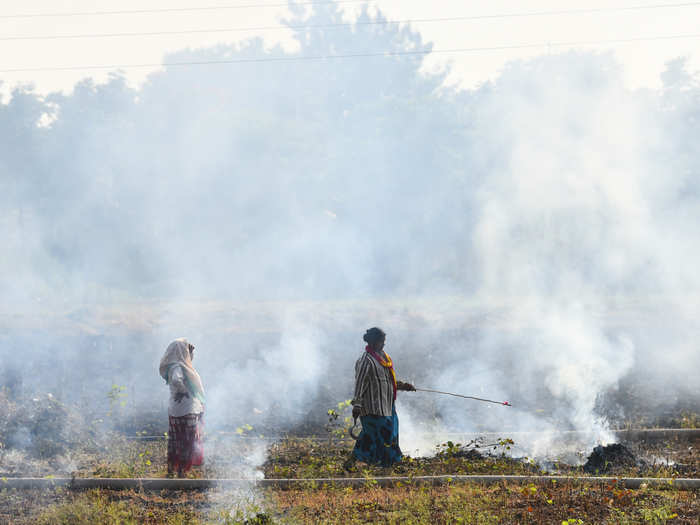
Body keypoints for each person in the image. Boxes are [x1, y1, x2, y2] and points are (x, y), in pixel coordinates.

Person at [347, 327, 415, 468]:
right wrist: (357, 405)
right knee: (380, 436)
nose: (383, 344)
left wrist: (403, 386)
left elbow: (388, 381)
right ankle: (387, 463)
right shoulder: (366, 360)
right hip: (373, 407)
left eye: (384, 341)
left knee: (383, 435)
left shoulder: (384, 357)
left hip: (387, 405)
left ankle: (362, 461)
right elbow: (360, 383)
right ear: (372, 342)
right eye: (381, 341)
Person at [159, 338, 205, 478]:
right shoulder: (178, 367)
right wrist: (184, 391)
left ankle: (173, 469)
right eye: (187, 351)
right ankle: (181, 471)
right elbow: (176, 380)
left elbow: (179, 376)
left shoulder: (178, 366)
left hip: (178, 410)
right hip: (186, 410)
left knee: (175, 440)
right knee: (186, 440)